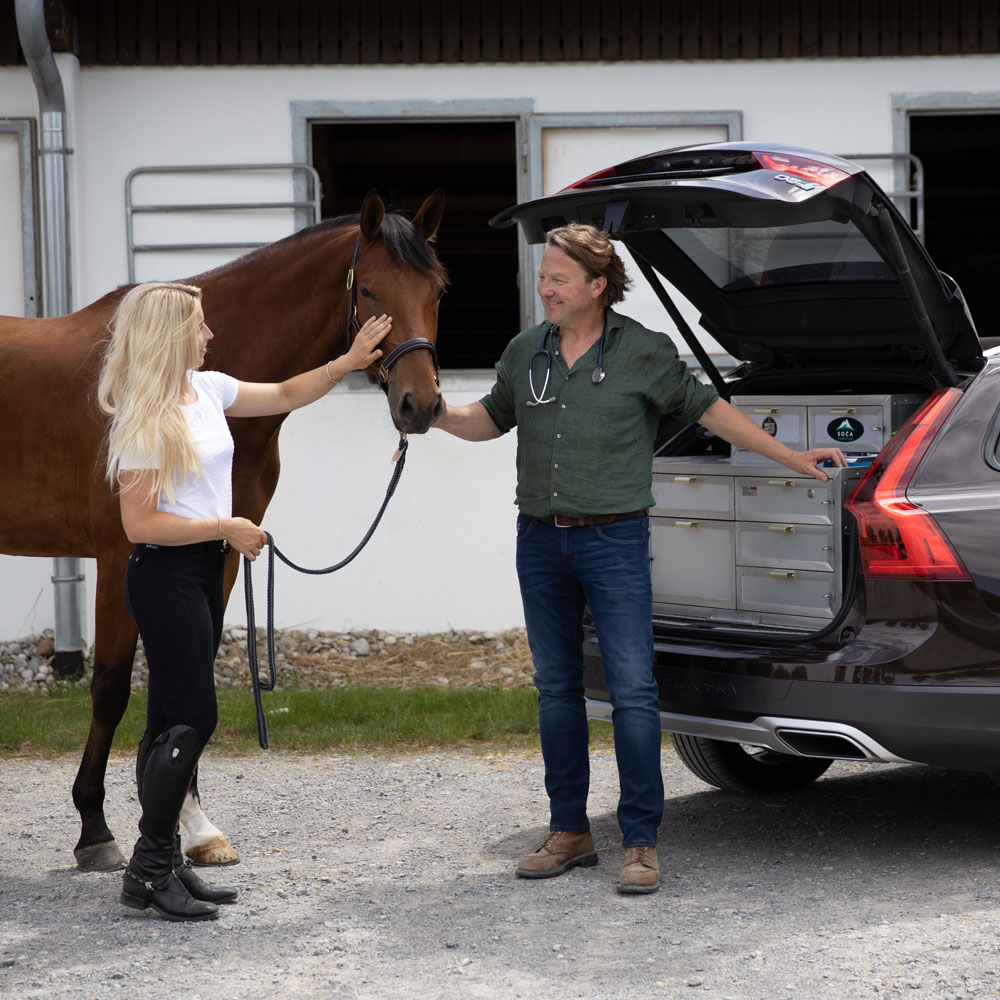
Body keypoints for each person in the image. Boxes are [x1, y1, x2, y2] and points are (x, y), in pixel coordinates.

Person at [434, 223, 846, 895]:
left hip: (615, 541)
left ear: (597, 286)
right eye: (541, 277)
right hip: (538, 540)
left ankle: (641, 842)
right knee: (556, 688)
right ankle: (568, 833)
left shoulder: (644, 354)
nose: (544, 290)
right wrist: (435, 415)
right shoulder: (524, 352)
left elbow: (712, 412)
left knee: (633, 690)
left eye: (557, 280)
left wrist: (793, 458)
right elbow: (490, 417)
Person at [97, 281, 390, 921]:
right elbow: (139, 526)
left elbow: (285, 394)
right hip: (165, 574)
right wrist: (226, 527)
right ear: (170, 337)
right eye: (199, 328)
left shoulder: (206, 390)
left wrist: (348, 363)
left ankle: (161, 865)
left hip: (200, 572)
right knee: (195, 719)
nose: (209, 336)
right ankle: (151, 866)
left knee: (163, 722)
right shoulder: (146, 418)